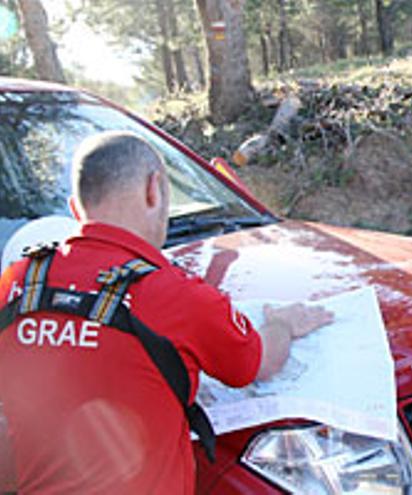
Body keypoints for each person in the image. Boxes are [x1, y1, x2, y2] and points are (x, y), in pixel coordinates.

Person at [0, 131, 333, 494]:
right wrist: (282, 324)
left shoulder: (18, 283)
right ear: (154, 190)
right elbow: (259, 363)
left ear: (76, 210)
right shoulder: (175, 293)